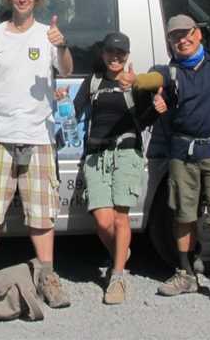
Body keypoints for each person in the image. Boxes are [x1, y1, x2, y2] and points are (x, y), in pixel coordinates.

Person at [125, 14, 210, 313]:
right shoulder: (168, 72)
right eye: (175, 36)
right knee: (183, 216)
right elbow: (149, 80)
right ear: (169, 42)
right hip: (182, 153)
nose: (182, 40)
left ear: (198, 34)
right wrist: (135, 81)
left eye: (186, 34)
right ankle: (186, 274)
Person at [0, 0, 73, 309]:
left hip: (38, 137)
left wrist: (63, 45)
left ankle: (47, 277)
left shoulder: (48, 35)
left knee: (41, 215)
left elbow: (67, 71)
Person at [72, 32, 152, 305]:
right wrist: (61, 99)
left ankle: (117, 276)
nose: (115, 57)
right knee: (102, 221)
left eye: (121, 53)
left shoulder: (134, 83)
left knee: (120, 218)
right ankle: (122, 251)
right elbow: (74, 110)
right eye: (110, 52)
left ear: (127, 56)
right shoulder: (93, 81)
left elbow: (146, 117)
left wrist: (157, 108)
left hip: (127, 153)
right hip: (96, 155)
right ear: (103, 54)